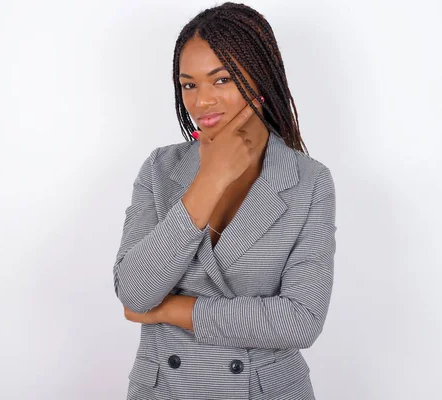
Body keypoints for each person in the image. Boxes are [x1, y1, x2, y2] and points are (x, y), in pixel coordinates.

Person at [112, 2, 337, 399]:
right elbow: (134, 293)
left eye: (222, 80)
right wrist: (210, 180)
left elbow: (300, 320)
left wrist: (170, 311)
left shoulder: (309, 180)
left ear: (260, 78)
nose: (201, 102)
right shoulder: (160, 168)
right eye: (189, 85)